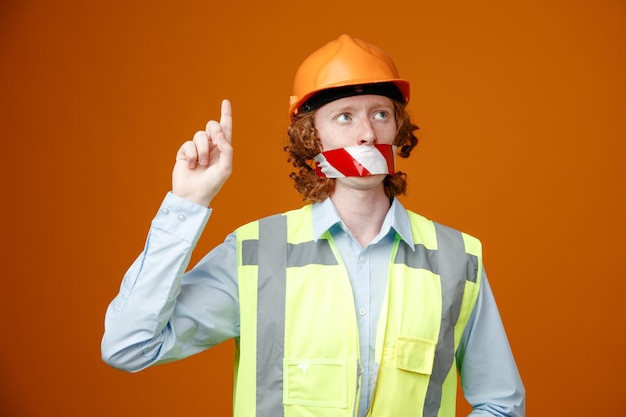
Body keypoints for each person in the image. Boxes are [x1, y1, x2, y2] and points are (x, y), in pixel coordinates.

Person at [101, 34, 525, 417]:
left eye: (380, 114)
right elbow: (129, 346)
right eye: (344, 116)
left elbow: (502, 403)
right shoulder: (255, 254)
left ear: (398, 130)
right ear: (311, 137)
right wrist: (188, 203)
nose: (366, 134)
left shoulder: (457, 259)